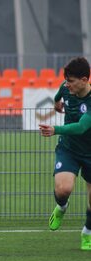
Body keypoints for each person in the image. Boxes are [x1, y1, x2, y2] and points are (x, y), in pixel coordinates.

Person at [39, 57, 91, 251]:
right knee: (63, 189)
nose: (66, 84)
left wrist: (55, 129)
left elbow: (81, 127)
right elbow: (58, 95)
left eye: (71, 81)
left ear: (84, 80)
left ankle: (87, 232)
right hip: (68, 148)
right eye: (66, 80)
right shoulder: (66, 88)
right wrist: (56, 104)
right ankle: (61, 206)